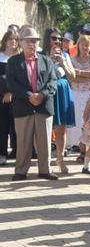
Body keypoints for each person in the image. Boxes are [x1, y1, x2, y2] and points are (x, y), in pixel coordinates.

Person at [6, 25, 58, 181]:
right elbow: (11, 83)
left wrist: (41, 95)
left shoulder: (47, 60)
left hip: (43, 105)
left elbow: (53, 81)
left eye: (35, 41)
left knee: (45, 141)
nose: (32, 44)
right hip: (23, 106)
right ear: (21, 43)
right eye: (28, 41)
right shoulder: (13, 61)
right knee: (23, 141)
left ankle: (45, 170)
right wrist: (29, 95)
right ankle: (21, 171)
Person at [43, 27, 77, 174]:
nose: (57, 41)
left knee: (61, 128)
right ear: (47, 39)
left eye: (59, 38)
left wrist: (63, 62)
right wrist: (50, 59)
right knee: (45, 128)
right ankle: (46, 161)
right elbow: (41, 76)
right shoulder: (40, 55)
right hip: (47, 92)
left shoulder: (65, 55)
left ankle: (60, 160)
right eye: (54, 38)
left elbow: (72, 77)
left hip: (62, 91)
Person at [70, 34, 90, 154]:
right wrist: (86, 76)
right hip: (76, 93)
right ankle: (81, 150)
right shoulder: (72, 59)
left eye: (87, 45)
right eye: (83, 45)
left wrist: (77, 72)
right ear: (78, 45)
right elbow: (72, 79)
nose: (85, 48)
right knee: (78, 122)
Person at [0, 30, 20, 164]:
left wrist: (12, 92)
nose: (13, 42)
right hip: (1, 97)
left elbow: (21, 79)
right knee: (2, 125)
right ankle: (2, 153)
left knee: (17, 127)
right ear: (5, 40)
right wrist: (4, 93)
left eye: (15, 39)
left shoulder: (19, 58)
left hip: (17, 97)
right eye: (10, 39)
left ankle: (18, 152)